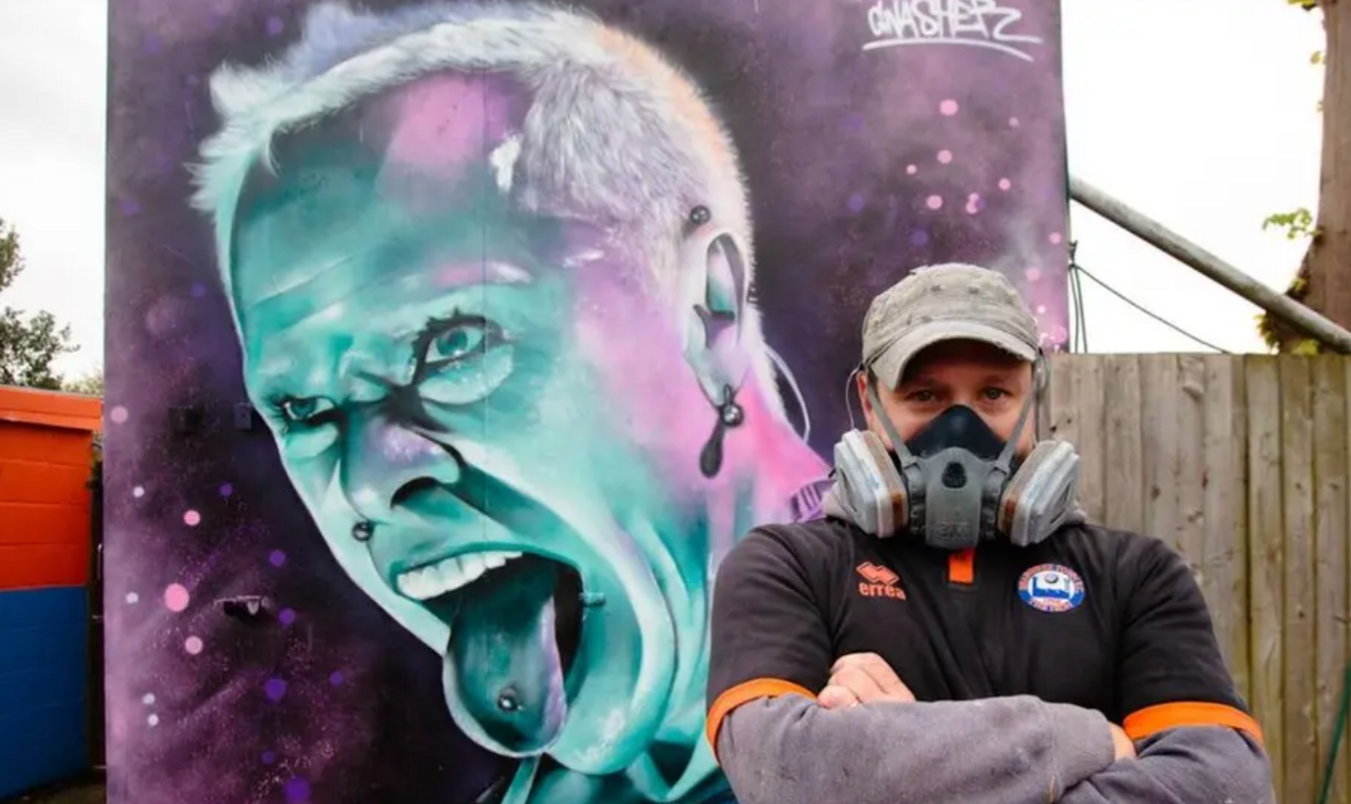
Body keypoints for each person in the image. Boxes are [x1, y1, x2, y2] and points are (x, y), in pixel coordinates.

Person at [189, 3, 830, 803]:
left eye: (451, 345)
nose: (362, 484)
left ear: (710, 313)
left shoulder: (926, 686)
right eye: (302, 411)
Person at [706, 262, 1273, 802]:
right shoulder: (786, 567)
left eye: (994, 395)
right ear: (869, 403)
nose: (961, 426)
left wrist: (895, 766)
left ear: (1033, 396)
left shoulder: (1137, 577)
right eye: (924, 394)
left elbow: (1227, 786)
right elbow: (784, 774)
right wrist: (1088, 741)